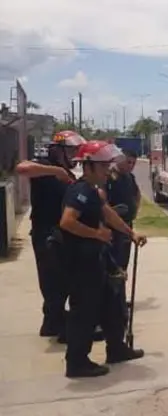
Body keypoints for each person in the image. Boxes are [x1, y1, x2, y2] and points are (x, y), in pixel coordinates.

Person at [59, 141, 147, 378]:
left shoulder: (93, 192)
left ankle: (116, 348)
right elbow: (67, 221)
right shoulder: (79, 191)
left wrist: (130, 233)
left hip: (97, 259)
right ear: (87, 166)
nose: (107, 171)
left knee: (112, 305)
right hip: (81, 263)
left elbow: (109, 215)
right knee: (84, 312)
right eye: (102, 166)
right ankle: (77, 362)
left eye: (108, 165)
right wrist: (96, 234)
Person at [15, 131, 83, 340]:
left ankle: (52, 323)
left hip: (61, 233)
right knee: (54, 281)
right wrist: (55, 170)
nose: (73, 155)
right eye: (70, 151)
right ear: (58, 150)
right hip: (46, 232)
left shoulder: (68, 174)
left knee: (60, 281)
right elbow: (21, 168)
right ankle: (60, 326)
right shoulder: (45, 166)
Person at [105, 149, 141, 322]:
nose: (131, 166)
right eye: (128, 162)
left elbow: (137, 194)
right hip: (113, 228)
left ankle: (120, 299)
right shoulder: (110, 178)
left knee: (123, 265)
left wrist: (135, 211)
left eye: (133, 163)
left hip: (126, 226)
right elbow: (103, 204)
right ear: (119, 160)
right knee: (114, 265)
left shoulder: (129, 178)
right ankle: (113, 302)